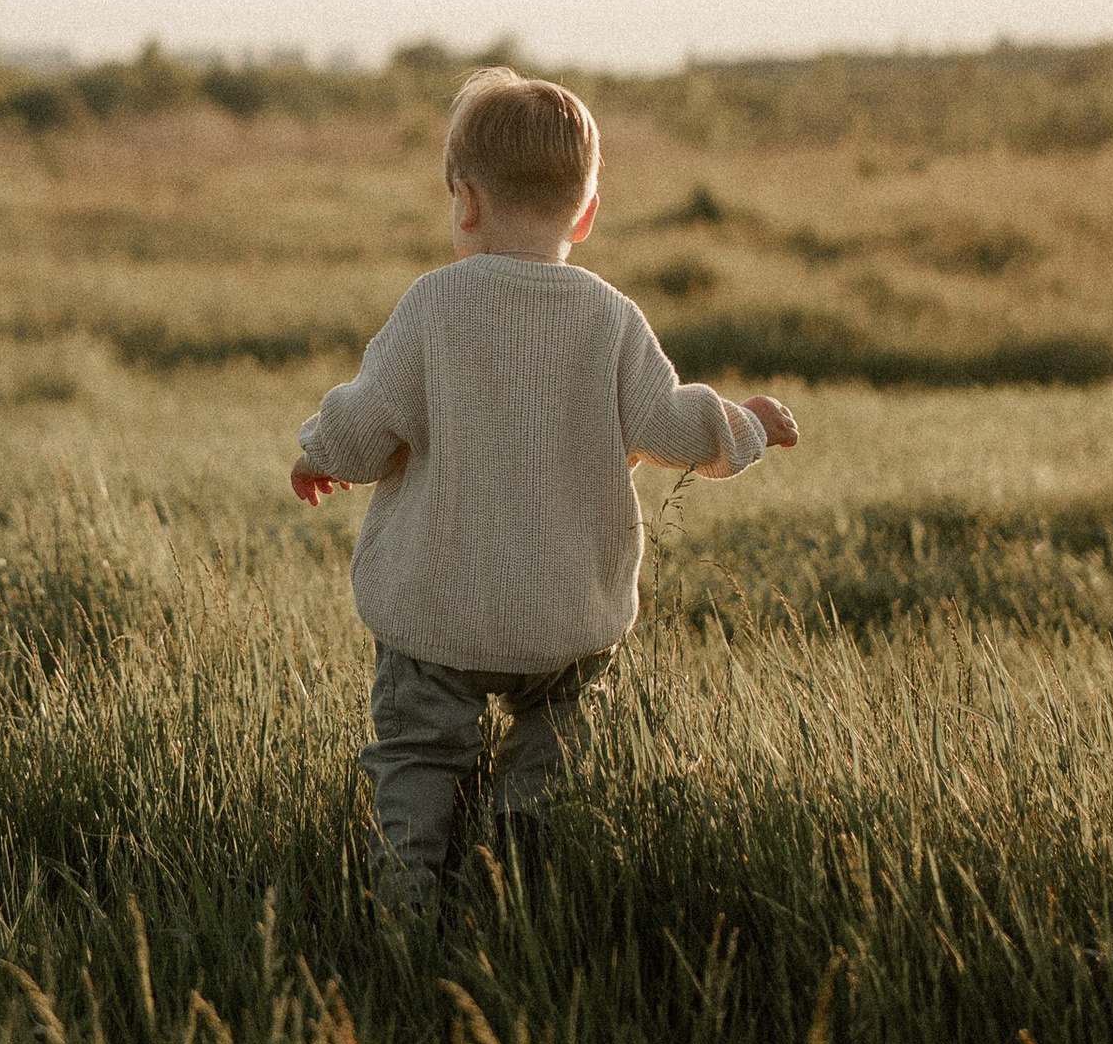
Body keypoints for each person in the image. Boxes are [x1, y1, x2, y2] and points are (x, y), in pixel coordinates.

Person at [291, 65, 798, 914]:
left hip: (436, 613)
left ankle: (405, 913)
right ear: (587, 213)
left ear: (465, 202)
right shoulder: (611, 317)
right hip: (566, 618)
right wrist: (746, 425)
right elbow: (673, 425)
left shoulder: (434, 305)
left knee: (416, 759)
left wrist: (321, 452)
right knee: (556, 747)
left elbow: (367, 422)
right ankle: (515, 875)